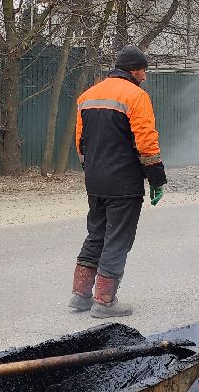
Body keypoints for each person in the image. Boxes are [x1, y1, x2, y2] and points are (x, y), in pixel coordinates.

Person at [68, 45, 166, 318]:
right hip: (124, 181)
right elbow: (146, 143)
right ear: (134, 70)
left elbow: (81, 143)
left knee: (96, 233)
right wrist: (157, 180)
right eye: (143, 70)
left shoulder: (88, 96)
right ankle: (105, 301)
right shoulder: (137, 96)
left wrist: (91, 170)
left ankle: (80, 296)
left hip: (95, 179)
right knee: (118, 238)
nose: (145, 76)